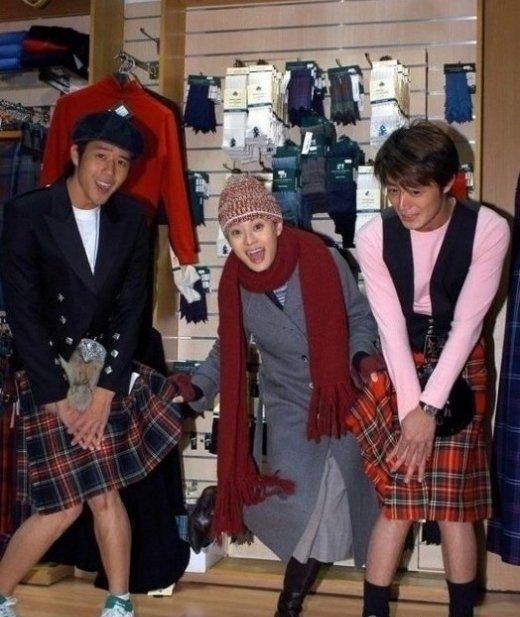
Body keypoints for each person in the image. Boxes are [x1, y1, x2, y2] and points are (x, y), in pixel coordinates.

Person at [0, 111, 183, 617]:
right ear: (76, 154)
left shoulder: (132, 219)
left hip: (94, 363)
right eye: (102, 157)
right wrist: (57, 398)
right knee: (64, 505)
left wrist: (104, 391)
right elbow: (24, 313)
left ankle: (119, 602)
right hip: (46, 366)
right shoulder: (27, 213)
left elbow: (131, 310)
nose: (111, 172)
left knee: (103, 492)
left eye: (122, 163)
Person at [174, 174, 381, 617]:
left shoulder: (323, 258)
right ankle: (227, 498)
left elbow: (360, 316)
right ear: (228, 239)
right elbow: (225, 351)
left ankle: (289, 605)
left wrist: (361, 358)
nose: (250, 241)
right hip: (290, 408)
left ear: (277, 224)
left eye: (257, 226)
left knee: (331, 508)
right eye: (237, 232)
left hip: (342, 397)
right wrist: (195, 388)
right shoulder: (235, 286)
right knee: (303, 504)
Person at [353, 120, 510, 617]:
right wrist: (411, 414)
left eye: (415, 191)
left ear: (447, 183)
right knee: (397, 502)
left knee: (455, 508)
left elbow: (468, 325)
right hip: (403, 366)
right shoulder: (372, 237)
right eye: (393, 190)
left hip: (461, 366)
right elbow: (391, 331)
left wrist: (431, 406)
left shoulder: (488, 229)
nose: (403, 204)